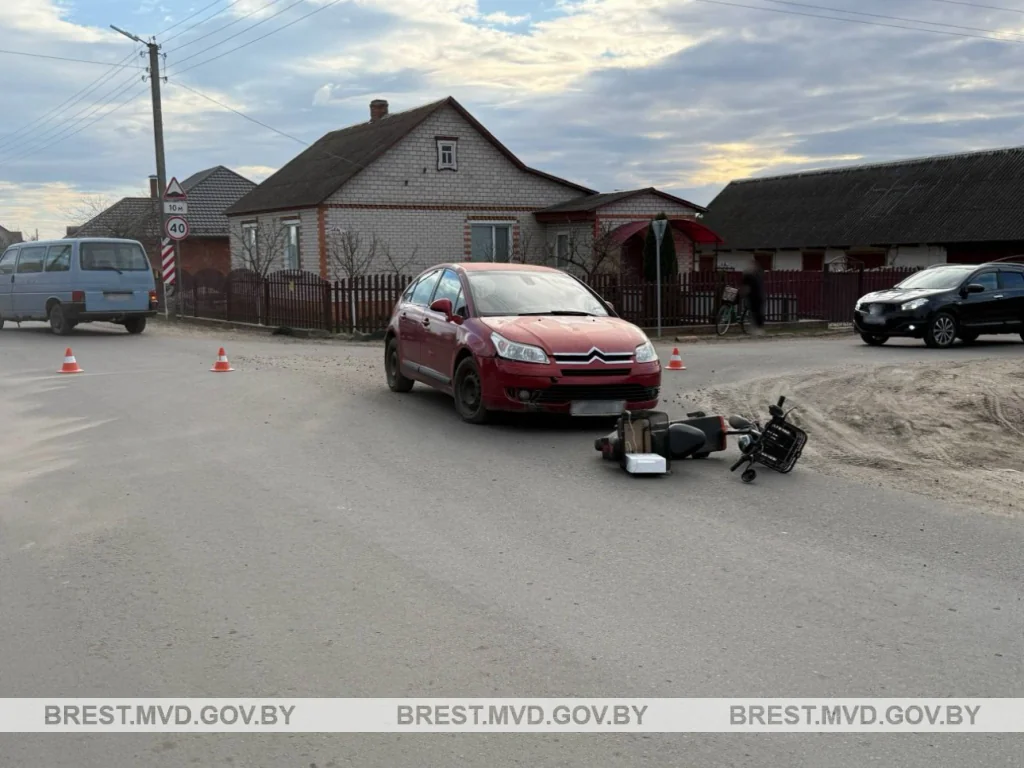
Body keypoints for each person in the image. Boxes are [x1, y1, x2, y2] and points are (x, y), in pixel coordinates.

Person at [740, 261, 766, 335]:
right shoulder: (750, 275)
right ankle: (756, 328)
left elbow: (747, 286)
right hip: (752, 296)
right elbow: (745, 285)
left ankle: (758, 328)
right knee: (754, 312)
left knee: (757, 312)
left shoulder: (755, 275)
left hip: (757, 295)